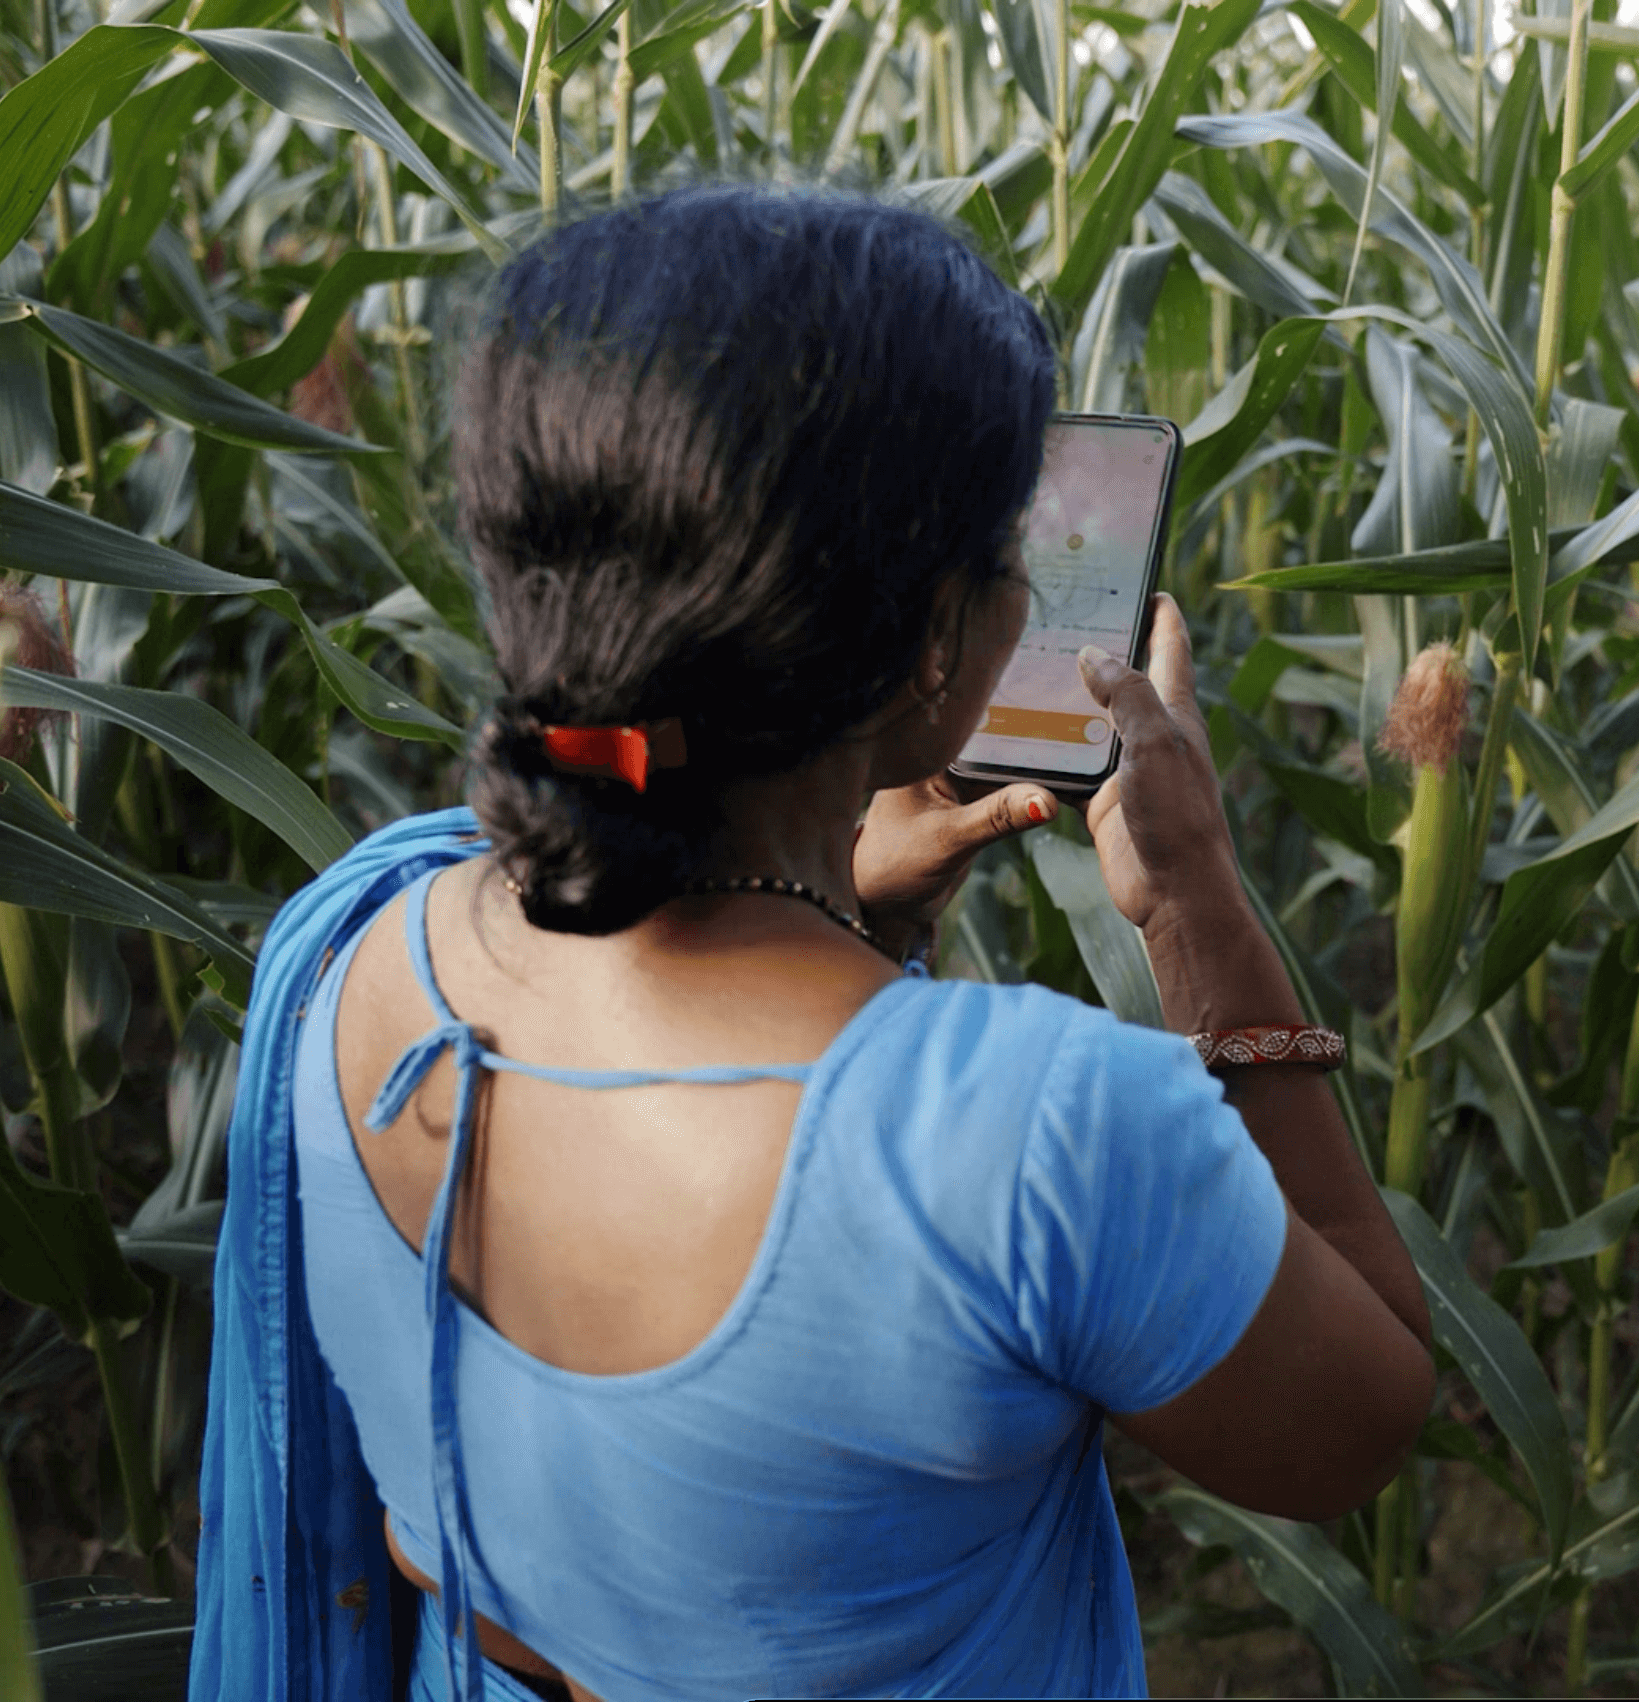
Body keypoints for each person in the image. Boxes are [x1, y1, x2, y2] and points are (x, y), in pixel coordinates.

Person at [189, 185, 1434, 1702]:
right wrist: (1197, 898)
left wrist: (844, 904)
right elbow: (1361, 1414)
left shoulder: (357, 957)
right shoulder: (1040, 1130)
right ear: (934, 645)